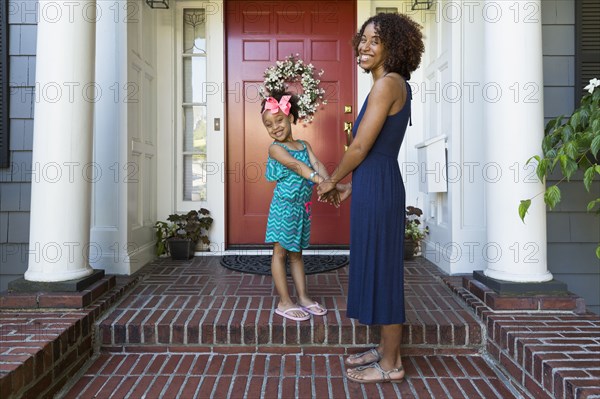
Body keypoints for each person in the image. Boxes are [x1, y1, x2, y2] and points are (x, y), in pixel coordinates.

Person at [317, 13, 424, 383]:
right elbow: (374, 150)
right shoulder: (388, 84)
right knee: (377, 267)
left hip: (379, 183)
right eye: (362, 39)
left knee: (385, 273)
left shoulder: (388, 84)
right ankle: (385, 348)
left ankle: (392, 363)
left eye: (374, 40)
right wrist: (352, 187)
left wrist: (332, 179)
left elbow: (361, 146)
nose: (364, 46)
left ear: (393, 47)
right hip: (375, 183)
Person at [262, 91, 335, 321]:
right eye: (269, 124)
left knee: (297, 254)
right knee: (280, 253)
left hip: (301, 209)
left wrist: (330, 183)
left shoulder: (304, 144)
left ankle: (303, 297)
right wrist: (320, 182)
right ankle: (284, 302)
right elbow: (296, 166)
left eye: (279, 120)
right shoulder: (275, 148)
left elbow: (316, 163)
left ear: (291, 117)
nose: (275, 127)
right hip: (283, 209)